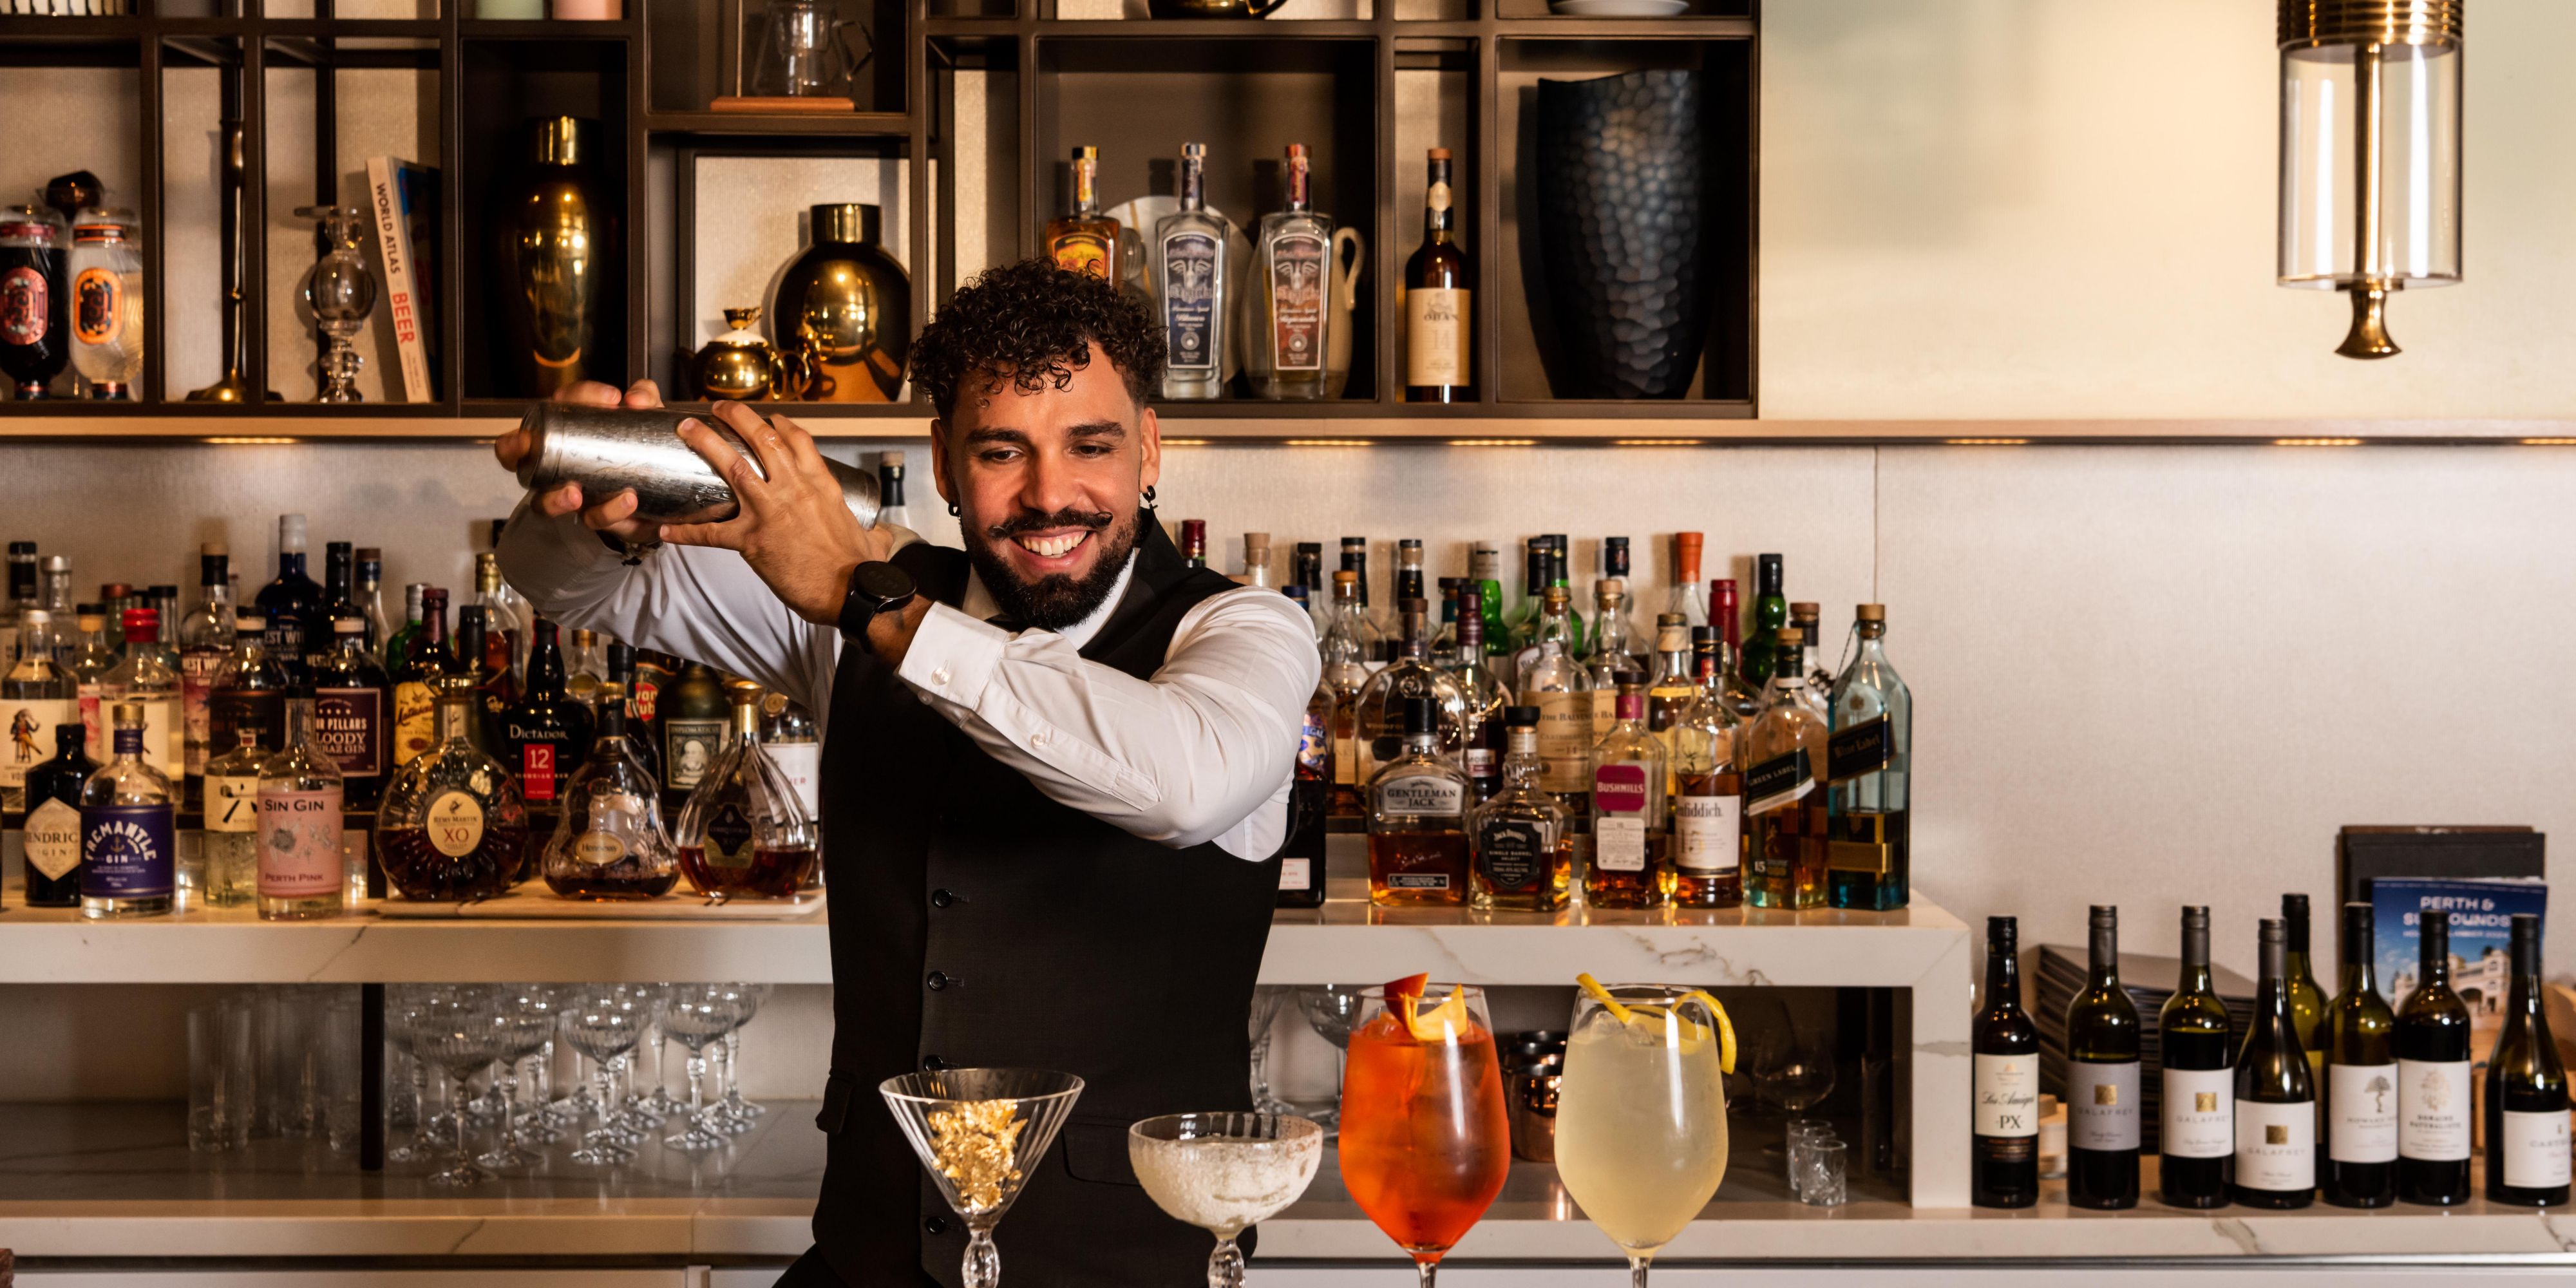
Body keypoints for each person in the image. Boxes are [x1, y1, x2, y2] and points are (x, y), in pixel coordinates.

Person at [493, 259, 1320, 1286]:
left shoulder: (1242, 631)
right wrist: (582, 514)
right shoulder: (854, 610)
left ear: (1150, 448)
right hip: (869, 1260)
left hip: (1128, 1270)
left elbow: (1184, 782)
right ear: (941, 461)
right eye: (1001, 452)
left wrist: (865, 596)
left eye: (1091, 447)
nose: (1050, 493)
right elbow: (573, 592)